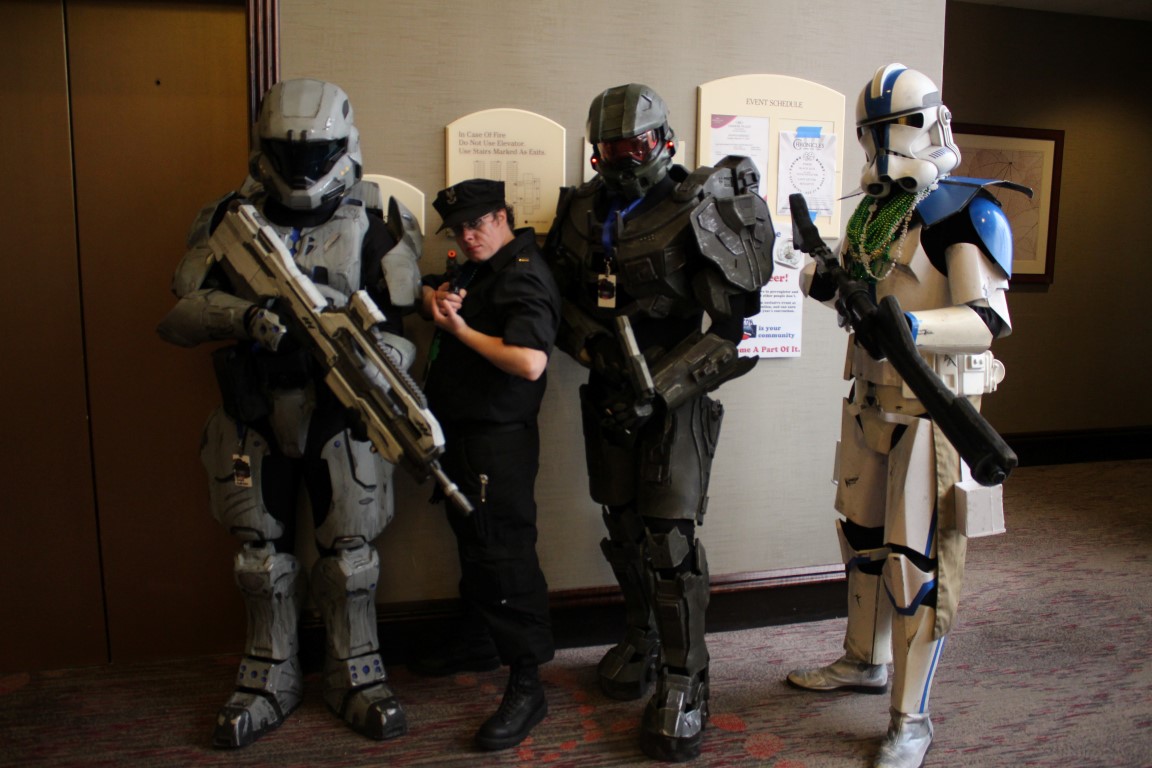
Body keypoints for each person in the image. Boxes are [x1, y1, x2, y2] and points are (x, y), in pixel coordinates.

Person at [157, 78, 423, 748]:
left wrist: (367, 358)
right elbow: (179, 316)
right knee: (259, 558)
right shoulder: (228, 219)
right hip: (253, 404)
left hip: (341, 411)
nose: (303, 167)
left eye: (317, 153)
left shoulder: (375, 221)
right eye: (287, 152)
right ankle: (268, 674)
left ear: (345, 147)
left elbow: (402, 332)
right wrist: (247, 316)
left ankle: (355, 672)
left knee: (351, 559)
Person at [787, 63, 1024, 768]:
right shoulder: (874, 214)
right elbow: (851, 284)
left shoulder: (963, 211)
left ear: (928, 123)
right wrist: (824, 282)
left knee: (916, 567)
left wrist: (913, 329)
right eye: (873, 133)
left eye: (894, 129)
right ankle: (864, 659)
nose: (881, 146)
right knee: (860, 541)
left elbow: (987, 320)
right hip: (868, 401)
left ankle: (910, 718)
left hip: (931, 414)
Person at [544, 83, 774, 762]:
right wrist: (590, 347)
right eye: (609, 148)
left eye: (635, 146)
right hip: (607, 386)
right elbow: (555, 301)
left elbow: (731, 335)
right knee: (621, 525)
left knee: (669, 542)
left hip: (675, 393)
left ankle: (686, 677)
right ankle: (642, 635)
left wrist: (660, 391)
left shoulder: (700, 207)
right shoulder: (581, 211)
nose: (621, 160)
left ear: (665, 142)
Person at [416, 179, 561, 751]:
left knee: (504, 555)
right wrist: (435, 298)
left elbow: (528, 362)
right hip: (464, 436)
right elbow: (439, 290)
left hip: (497, 442)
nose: (467, 236)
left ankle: (529, 683)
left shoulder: (522, 273)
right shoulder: (483, 267)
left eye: (477, 224)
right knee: (475, 545)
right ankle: (477, 640)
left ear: (503, 216)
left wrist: (459, 329)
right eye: (458, 229)